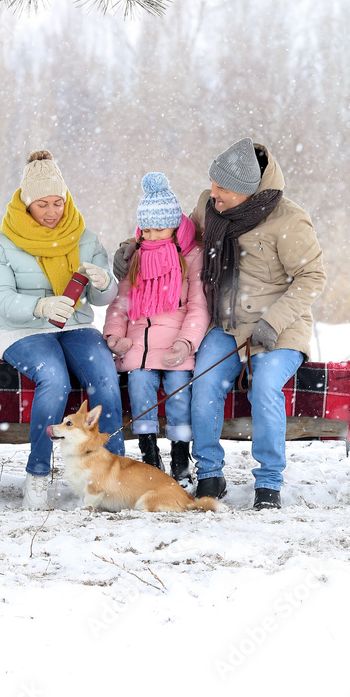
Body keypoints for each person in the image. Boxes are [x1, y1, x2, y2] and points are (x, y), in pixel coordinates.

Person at [116, 139, 326, 510]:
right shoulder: (207, 206)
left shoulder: (289, 219)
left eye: (222, 189)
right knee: (205, 382)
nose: (212, 194)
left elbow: (311, 277)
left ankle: (269, 483)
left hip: (277, 327)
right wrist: (132, 248)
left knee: (263, 388)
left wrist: (273, 321)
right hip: (226, 325)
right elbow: (172, 238)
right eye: (212, 184)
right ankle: (210, 472)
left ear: (248, 192)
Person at [0, 150, 126, 509]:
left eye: (58, 203)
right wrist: (39, 306)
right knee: (55, 380)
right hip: (24, 331)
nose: (51, 212)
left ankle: (114, 473)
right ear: (26, 203)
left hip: (76, 327)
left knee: (104, 379)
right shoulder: (3, 243)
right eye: (42, 204)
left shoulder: (84, 237)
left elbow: (102, 297)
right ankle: (37, 475)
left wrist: (103, 280)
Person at [103, 173, 209, 484]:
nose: (152, 237)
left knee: (178, 392)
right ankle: (149, 456)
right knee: (139, 389)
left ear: (176, 227)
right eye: (146, 230)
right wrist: (114, 335)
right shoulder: (135, 257)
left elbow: (198, 307)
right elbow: (121, 304)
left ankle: (180, 457)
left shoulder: (192, 257)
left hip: (176, 345)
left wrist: (186, 342)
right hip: (139, 345)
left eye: (159, 229)